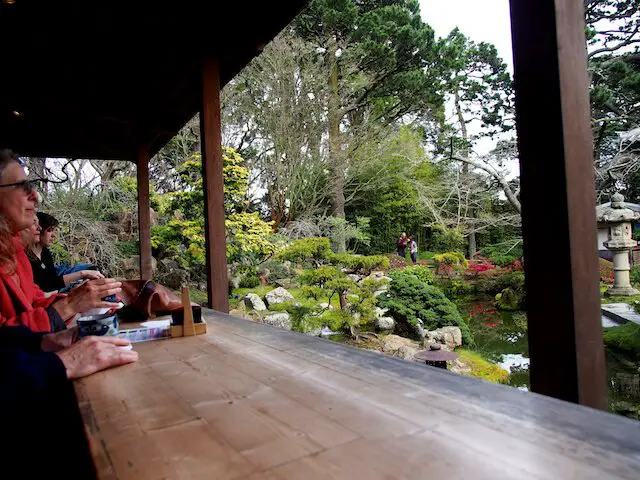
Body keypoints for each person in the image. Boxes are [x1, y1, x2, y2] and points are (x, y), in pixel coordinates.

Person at [0, 149, 121, 332]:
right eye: (22, 186)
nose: (35, 195)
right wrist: (69, 305)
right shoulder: (20, 253)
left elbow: (34, 302)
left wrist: (80, 298)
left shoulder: (15, 253)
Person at [28, 212, 103, 293]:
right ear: (39, 231)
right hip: (48, 292)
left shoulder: (45, 253)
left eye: (55, 231)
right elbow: (48, 286)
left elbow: (53, 277)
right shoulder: (27, 257)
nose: (54, 235)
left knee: (92, 269)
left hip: (55, 283)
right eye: (49, 230)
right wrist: (82, 274)